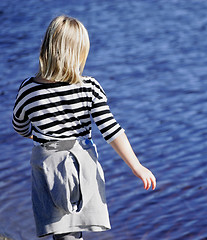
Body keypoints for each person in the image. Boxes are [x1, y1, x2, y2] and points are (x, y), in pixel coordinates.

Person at [12, 15, 156, 240]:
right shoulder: (89, 87)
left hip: (49, 164)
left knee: (62, 230)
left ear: (47, 48)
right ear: (79, 53)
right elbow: (111, 130)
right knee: (74, 229)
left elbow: (19, 125)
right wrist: (136, 166)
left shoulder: (29, 89)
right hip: (82, 164)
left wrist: (34, 135)